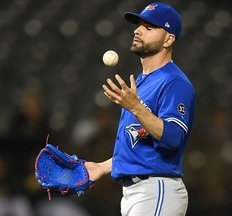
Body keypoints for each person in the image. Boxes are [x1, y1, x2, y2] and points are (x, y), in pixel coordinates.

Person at [85, 2, 195, 216]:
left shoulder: (174, 82)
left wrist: (136, 107)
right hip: (136, 194)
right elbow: (140, 146)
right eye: (139, 25)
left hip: (156, 189)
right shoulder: (143, 84)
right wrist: (102, 167)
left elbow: (174, 138)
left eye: (149, 27)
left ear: (169, 39)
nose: (137, 30)